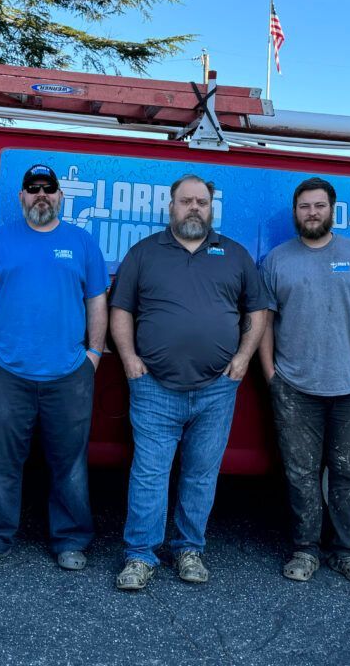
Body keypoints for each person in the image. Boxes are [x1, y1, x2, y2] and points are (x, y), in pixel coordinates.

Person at [109, 174, 270, 590]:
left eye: (202, 201)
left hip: (217, 389)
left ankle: (188, 550)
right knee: (150, 474)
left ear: (211, 207)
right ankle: (140, 556)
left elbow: (257, 311)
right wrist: (128, 358)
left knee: (201, 474)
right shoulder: (145, 253)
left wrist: (242, 359)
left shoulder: (234, 254)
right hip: (154, 387)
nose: (194, 207)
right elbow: (121, 309)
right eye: (186, 201)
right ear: (171, 206)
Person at [0, 164, 108, 573]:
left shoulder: (82, 243)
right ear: (21, 196)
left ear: (61, 196)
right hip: (5, 373)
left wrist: (93, 356)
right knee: (0, 463)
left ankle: (70, 540)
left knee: (70, 463)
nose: (41, 195)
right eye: (33, 189)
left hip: (68, 375)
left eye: (48, 189)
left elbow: (97, 300)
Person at [258, 177, 350, 586]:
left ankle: (346, 553)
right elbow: (263, 321)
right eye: (304, 206)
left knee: (347, 472)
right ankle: (305, 550)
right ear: (295, 212)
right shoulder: (277, 260)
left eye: (319, 205)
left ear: (332, 210)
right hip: (295, 388)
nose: (312, 213)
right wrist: (269, 372)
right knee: (300, 474)